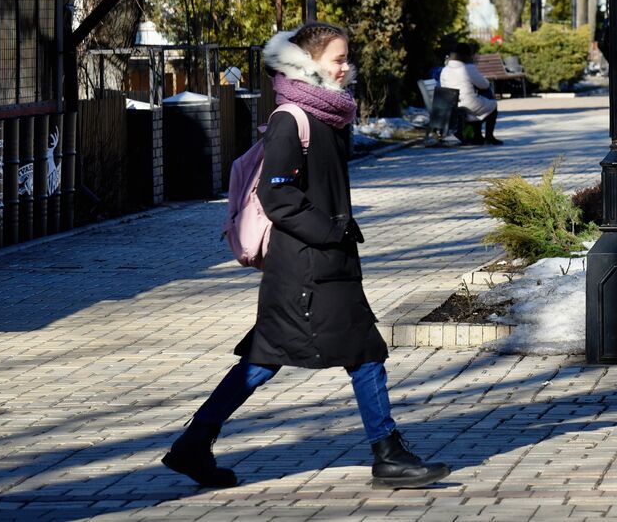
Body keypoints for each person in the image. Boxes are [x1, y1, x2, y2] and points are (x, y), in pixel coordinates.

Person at [161, 24, 449, 489]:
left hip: (316, 265)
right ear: (308, 64)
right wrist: (332, 230)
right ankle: (388, 452)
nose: (345, 66)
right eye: (337, 58)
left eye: (346, 57)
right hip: (308, 267)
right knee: (365, 352)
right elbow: (278, 197)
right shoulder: (289, 120)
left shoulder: (327, 116)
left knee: (262, 360)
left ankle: (193, 444)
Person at [440, 43, 502, 144]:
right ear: (467, 55)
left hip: (453, 106)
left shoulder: (445, 70)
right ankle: (489, 136)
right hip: (469, 105)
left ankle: (477, 136)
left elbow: (444, 88)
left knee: (477, 103)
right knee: (492, 105)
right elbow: (484, 85)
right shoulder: (467, 68)